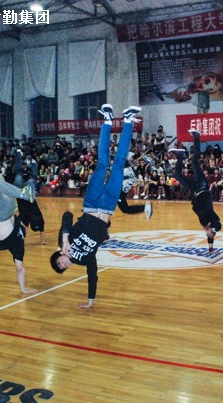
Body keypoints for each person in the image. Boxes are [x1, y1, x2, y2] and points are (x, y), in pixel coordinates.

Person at [50, 104, 141, 309]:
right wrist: (90, 302)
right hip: (108, 206)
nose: (65, 263)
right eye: (64, 267)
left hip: (91, 204)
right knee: (119, 164)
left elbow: (67, 215)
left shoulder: (64, 242)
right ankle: (127, 120)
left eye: (61, 262)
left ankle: (107, 120)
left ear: (59, 254)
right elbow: (93, 274)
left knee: (102, 164)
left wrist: (65, 238)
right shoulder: (83, 260)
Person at [0, 173, 37, 295]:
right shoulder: (18, 243)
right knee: (0, 185)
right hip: (6, 211)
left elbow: (19, 269)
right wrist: (24, 290)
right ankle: (3, 178)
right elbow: (19, 269)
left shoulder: (18, 245)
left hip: (1, 217)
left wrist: (24, 290)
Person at [170, 130, 222, 252]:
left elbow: (196, 210)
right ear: (212, 232)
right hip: (202, 187)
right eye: (209, 234)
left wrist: (211, 249)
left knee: (177, 175)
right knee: (194, 162)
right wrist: (211, 228)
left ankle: (180, 156)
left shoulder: (204, 224)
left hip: (194, 190)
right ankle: (197, 137)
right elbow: (218, 225)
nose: (207, 234)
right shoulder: (214, 222)